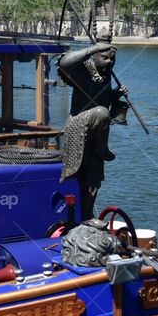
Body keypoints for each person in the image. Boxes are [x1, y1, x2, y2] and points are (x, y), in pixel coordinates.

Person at [57, 28, 128, 219]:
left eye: (112, 59)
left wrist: (116, 94)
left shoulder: (106, 76)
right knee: (102, 113)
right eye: (105, 57)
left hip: (96, 128)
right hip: (79, 123)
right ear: (95, 55)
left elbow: (103, 99)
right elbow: (64, 64)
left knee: (94, 177)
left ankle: (88, 216)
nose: (109, 62)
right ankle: (103, 148)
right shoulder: (84, 71)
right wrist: (91, 49)